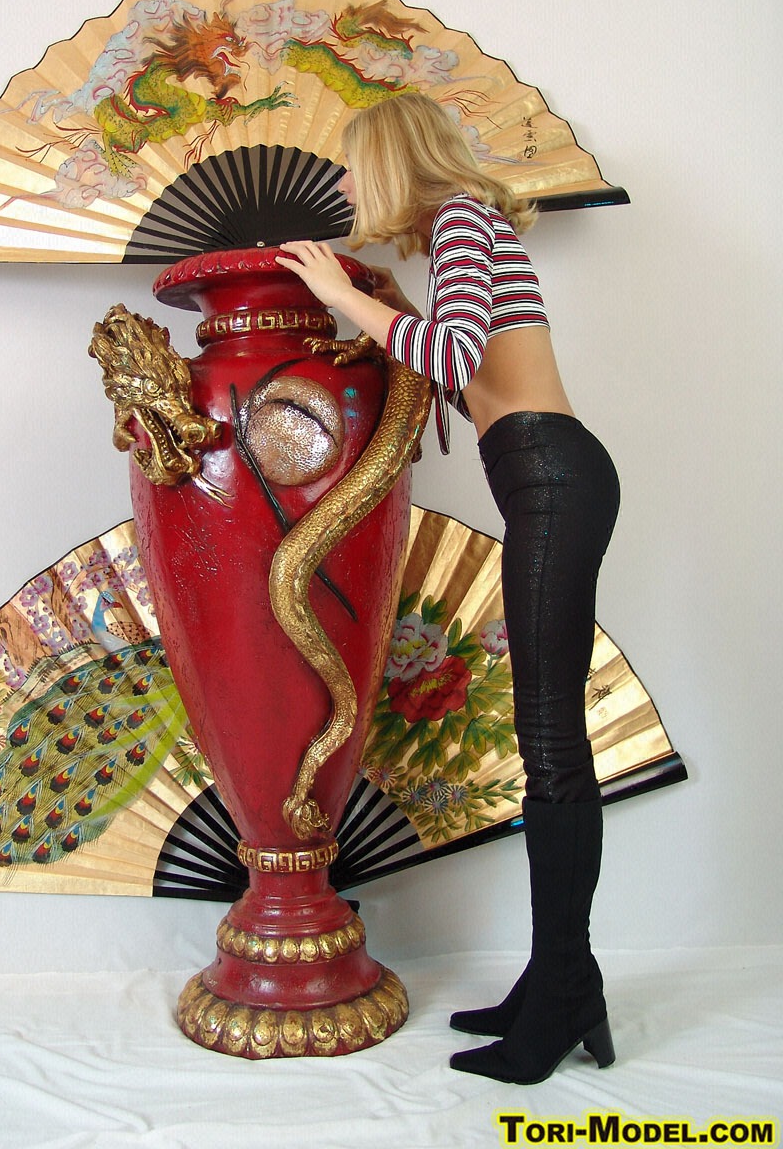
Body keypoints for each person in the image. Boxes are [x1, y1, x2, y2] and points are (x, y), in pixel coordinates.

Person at [275, 92, 621, 1085]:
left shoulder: (465, 218)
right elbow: (464, 371)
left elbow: (452, 355)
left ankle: (564, 990)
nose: (346, 183)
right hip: (549, 476)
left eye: (353, 163)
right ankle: (557, 978)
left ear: (392, 159)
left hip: (553, 478)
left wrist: (346, 297)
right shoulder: (460, 234)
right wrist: (386, 308)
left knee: (552, 743)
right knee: (545, 738)